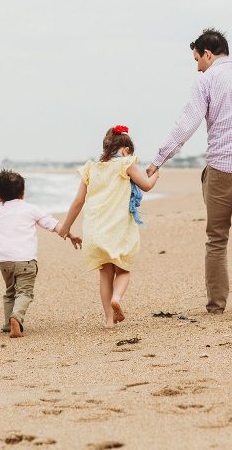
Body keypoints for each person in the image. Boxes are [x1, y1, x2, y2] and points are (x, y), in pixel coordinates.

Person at [146, 28, 232, 319]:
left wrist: (159, 160)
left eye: (197, 59)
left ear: (208, 54)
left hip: (221, 168)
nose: (197, 67)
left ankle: (216, 305)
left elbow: (186, 124)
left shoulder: (207, 80)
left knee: (217, 238)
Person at [58, 126, 159, 328]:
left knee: (105, 274)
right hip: (119, 228)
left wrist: (65, 227)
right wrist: (156, 173)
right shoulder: (126, 163)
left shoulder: (91, 168)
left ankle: (109, 321)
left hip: (95, 229)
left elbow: (78, 201)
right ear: (125, 150)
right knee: (123, 270)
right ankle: (117, 298)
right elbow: (146, 185)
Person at [0, 170, 82, 338]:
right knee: (24, 293)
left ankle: (7, 324)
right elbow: (52, 224)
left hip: (5, 263)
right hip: (26, 262)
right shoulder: (30, 209)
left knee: (10, 292)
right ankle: (16, 317)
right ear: (22, 194)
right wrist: (70, 235)